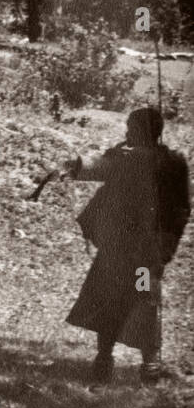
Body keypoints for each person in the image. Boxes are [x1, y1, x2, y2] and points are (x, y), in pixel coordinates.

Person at [55, 107, 190, 388]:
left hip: (133, 252)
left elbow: (179, 209)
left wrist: (164, 244)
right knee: (136, 300)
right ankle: (127, 363)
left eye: (131, 128)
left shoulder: (145, 162)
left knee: (132, 301)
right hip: (136, 252)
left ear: (143, 131)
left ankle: (128, 364)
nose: (127, 133)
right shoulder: (166, 163)